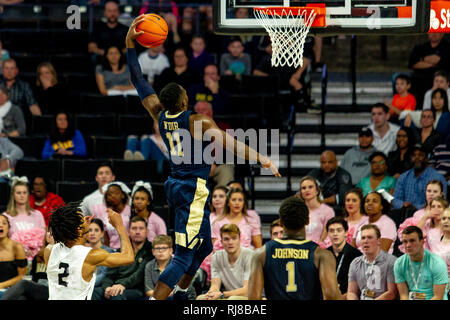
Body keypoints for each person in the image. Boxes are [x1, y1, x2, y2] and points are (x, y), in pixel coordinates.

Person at [125, 15, 280, 300]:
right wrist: (264, 159)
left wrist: (130, 43)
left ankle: (181, 294)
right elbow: (233, 144)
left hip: (177, 186)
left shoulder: (159, 114)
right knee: (184, 255)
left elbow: (136, 78)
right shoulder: (198, 122)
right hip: (191, 190)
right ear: (184, 100)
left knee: (205, 246)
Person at [247, 196, 342, 300]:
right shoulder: (321, 255)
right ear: (307, 221)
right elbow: (332, 296)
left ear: (281, 222)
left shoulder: (261, 254)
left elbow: (253, 298)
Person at [44, 202, 135, 300]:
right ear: (78, 230)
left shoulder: (49, 250)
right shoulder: (90, 255)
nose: (85, 219)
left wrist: (83, 228)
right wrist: (120, 226)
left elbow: (71, 247)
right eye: (82, 219)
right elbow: (128, 257)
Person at [92, 216, 153, 300]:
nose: (137, 232)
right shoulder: (121, 250)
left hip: (135, 288)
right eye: (134, 228)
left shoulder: (151, 250)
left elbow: (139, 274)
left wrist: (122, 285)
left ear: (147, 232)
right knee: (94, 292)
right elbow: (109, 275)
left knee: (117, 295)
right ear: (128, 231)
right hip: (115, 286)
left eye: (141, 228)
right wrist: (107, 287)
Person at [197, 224, 252, 300]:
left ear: (240, 240)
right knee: (201, 298)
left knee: (233, 299)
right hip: (228, 295)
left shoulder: (249, 255)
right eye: (226, 239)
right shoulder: (217, 257)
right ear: (221, 242)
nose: (230, 242)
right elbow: (215, 285)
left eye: (234, 238)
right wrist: (211, 294)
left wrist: (223, 294)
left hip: (251, 296)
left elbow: (247, 290)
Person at [394, 226, 448, 300]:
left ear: (422, 241)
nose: (408, 245)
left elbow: (438, 297)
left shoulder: (437, 263)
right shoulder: (399, 263)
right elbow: (403, 295)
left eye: (412, 241)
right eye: (405, 241)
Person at [347, 224, 397, 300]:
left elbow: (391, 293)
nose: (365, 241)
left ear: (379, 241)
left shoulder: (391, 261)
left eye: (369, 237)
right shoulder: (355, 262)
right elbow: (351, 292)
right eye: (363, 238)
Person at [392, 143, 447, 210]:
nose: (417, 158)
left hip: (428, 215)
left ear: (427, 158)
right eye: (413, 155)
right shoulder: (403, 177)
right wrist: (403, 205)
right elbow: (395, 199)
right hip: (405, 214)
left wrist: (417, 208)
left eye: (420, 155)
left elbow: (441, 201)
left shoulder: (438, 177)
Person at [3, 177, 46, 261]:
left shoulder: (38, 215)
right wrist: (22, 251)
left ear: (28, 194)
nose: (22, 195)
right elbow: (4, 242)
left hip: (36, 259)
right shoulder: (6, 216)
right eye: (18, 193)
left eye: (24, 192)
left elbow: (44, 241)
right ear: (13, 195)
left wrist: (36, 253)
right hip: (15, 259)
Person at [408, 33, 450, 105]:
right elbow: (413, 64)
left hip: (440, 78)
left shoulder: (447, 47)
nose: (434, 34)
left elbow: (445, 63)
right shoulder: (420, 47)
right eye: (431, 32)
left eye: (437, 32)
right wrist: (434, 64)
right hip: (420, 79)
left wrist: (423, 60)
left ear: (442, 34)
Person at [325, 217, 362, 299]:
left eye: (339, 230)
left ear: (346, 232)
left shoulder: (356, 255)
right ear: (327, 233)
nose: (335, 234)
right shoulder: (324, 254)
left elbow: (360, 286)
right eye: (331, 231)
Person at [91, 182, 131, 250]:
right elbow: (106, 239)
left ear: (123, 195)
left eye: (116, 193)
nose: (113, 196)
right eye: (109, 194)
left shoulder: (131, 212)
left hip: (128, 250)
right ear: (106, 198)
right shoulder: (106, 214)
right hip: (112, 250)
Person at [297, 176, 335, 245]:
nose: (307, 190)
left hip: (319, 250)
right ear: (301, 192)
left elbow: (326, 236)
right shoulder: (297, 211)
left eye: (310, 187)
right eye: (303, 188)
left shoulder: (328, 211)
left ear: (317, 191)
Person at [88, 1, 128, 66]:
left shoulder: (125, 29)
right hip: (102, 57)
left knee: (130, 56)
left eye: (115, 11)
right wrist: (107, 54)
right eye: (109, 11)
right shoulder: (97, 29)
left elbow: (130, 46)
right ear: (105, 13)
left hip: (121, 57)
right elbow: (91, 47)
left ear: (118, 13)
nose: (112, 14)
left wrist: (116, 54)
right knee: (94, 58)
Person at [0, 214, 27, 299]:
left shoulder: (17, 247)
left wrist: (1, 285)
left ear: (8, 227)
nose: (1, 225)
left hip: (13, 290)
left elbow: (22, 276)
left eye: (4, 223)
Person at [84, 218, 115, 288]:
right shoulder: (83, 251)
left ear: (102, 233)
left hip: (99, 288)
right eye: (90, 230)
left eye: (96, 230)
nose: (92, 233)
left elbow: (103, 275)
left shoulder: (108, 252)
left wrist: (86, 285)